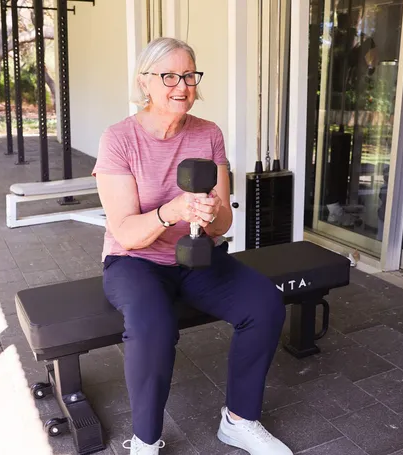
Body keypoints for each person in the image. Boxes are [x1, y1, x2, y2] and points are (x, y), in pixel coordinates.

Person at [91, 37, 293, 455]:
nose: (181, 85)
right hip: (135, 261)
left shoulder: (209, 133)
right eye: (168, 76)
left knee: (264, 305)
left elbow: (225, 221)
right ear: (144, 82)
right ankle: (145, 440)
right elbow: (126, 232)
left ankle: (238, 420)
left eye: (188, 75)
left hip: (198, 254)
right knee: (153, 327)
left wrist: (210, 212)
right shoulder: (119, 139)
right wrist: (173, 210)